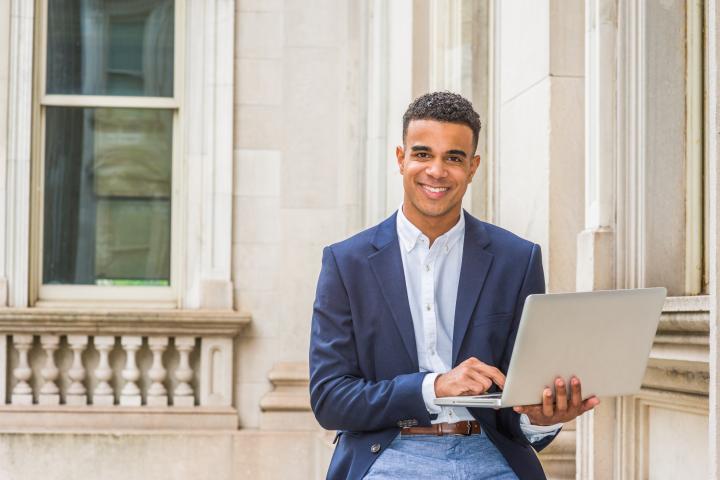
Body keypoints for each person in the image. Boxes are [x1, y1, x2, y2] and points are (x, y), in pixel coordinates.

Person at [309, 92, 599, 479]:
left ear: (473, 166)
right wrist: (435, 387)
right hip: (387, 456)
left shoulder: (518, 259)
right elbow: (330, 399)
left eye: (454, 158)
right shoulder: (347, 263)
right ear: (401, 159)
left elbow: (519, 395)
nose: (437, 171)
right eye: (423, 154)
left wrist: (542, 417)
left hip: (491, 456)